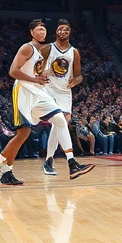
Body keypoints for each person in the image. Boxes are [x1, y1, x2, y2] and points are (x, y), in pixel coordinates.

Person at [0, 20, 93, 186]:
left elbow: (38, 71)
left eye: (44, 28)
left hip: (38, 91)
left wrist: (51, 73)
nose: (43, 31)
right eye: (39, 28)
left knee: (60, 120)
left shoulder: (43, 51)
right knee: (23, 134)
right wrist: (35, 78)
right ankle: (0, 168)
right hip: (23, 91)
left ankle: (72, 164)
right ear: (32, 32)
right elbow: (13, 71)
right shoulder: (27, 47)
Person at [42, 20, 84, 175]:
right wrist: (45, 74)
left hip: (65, 91)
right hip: (50, 88)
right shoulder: (48, 48)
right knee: (58, 121)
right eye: (60, 29)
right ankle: (53, 160)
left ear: (70, 32)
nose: (63, 31)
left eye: (66, 29)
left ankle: (49, 161)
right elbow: (37, 69)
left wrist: (76, 81)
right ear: (56, 32)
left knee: (60, 124)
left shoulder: (74, 52)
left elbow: (79, 76)